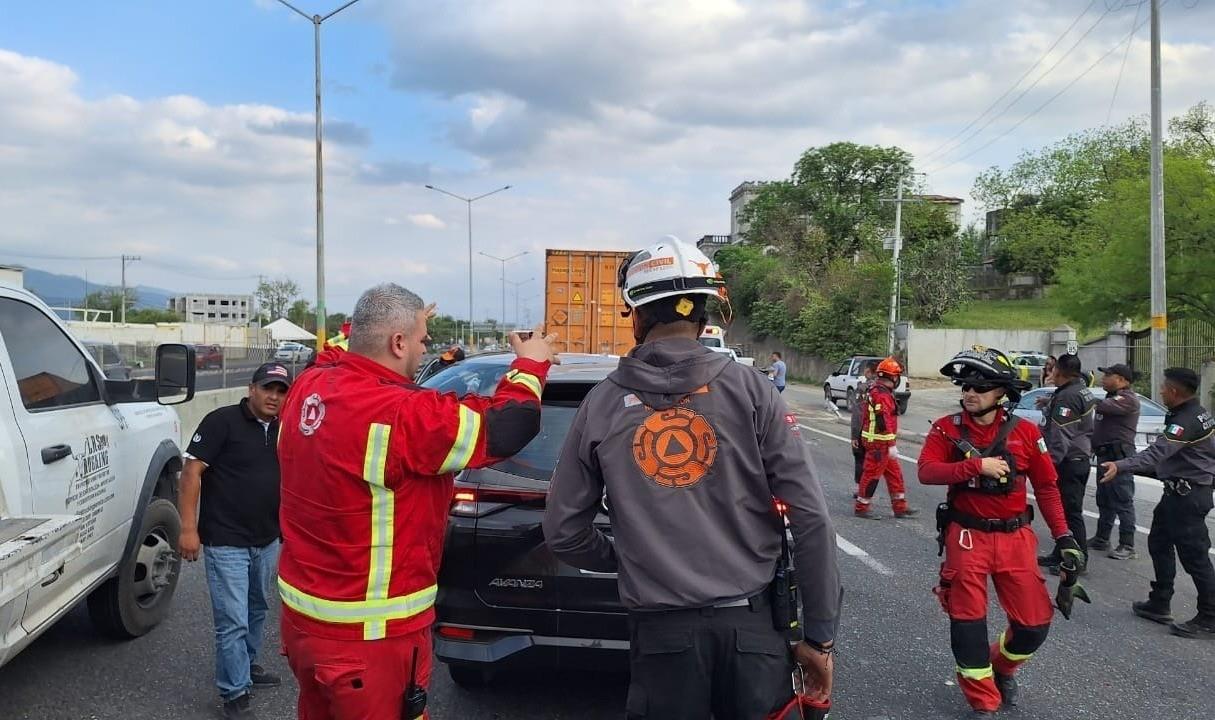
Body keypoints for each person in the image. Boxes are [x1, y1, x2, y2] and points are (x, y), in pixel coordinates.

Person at [543, 237, 840, 720]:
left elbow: (562, 531)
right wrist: (820, 637)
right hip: (754, 633)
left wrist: (630, 558)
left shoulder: (600, 403)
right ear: (705, 315)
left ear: (635, 316)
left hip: (661, 640)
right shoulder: (754, 391)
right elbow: (811, 520)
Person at [275, 283, 555, 720]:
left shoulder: (308, 386)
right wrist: (530, 365)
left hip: (303, 627)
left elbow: (336, 352)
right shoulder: (403, 413)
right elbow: (510, 426)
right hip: (372, 639)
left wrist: (400, 318)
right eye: (422, 339)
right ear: (398, 342)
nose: (426, 349)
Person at [918, 347, 1080, 717]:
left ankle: (1001, 668)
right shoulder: (946, 428)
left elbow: (1048, 488)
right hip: (967, 536)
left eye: (981, 386)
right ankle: (983, 702)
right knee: (967, 622)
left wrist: (1065, 538)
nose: (969, 394)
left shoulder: (1024, 432)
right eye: (965, 386)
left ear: (1001, 393)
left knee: (1034, 624)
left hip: (1015, 538)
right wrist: (974, 466)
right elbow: (926, 471)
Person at [179, 362, 292, 719]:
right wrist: (187, 529)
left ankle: (247, 666)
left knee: (257, 609)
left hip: (267, 538)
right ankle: (234, 692)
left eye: (280, 391)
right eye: (267, 388)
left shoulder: (284, 429)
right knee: (232, 620)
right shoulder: (221, 421)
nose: (273, 396)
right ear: (251, 389)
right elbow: (191, 472)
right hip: (226, 539)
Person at [1100, 367, 1215, 639]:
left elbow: (1155, 454)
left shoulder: (1185, 420)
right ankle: (1160, 601)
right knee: (1159, 543)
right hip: (1179, 492)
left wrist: (1121, 465)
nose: (1161, 391)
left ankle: (1210, 616)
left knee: (1195, 557)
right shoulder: (1198, 413)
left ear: (1174, 391)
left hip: (1187, 497)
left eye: (1164, 387)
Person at [1037, 353, 1096, 573]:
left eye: (1052, 368)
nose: (1049, 372)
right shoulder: (1078, 388)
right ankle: (1061, 552)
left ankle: (1078, 561)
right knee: (1064, 511)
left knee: (1071, 512)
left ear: (1059, 372)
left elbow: (1061, 436)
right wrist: (1048, 402)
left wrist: (1048, 464)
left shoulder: (1068, 396)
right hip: (1077, 458)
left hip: (1069, 461)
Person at [855, 356, 918, 518]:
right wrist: (891, 444)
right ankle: (862, 508)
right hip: (879, 443)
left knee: (895, 475)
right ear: (892, 377)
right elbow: (884, 421)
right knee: (871, 476)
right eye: (897, 376)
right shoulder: (882, 395)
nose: (897, 379)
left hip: (880, 442)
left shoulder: (878, 391)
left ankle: (900, 507)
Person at [1089, 364, 1141, 561]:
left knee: (1122, 501)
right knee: (1104, 500)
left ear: (1122, 380)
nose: (1104, 378)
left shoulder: (1127, 399)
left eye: (1108, 375)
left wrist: (1087, 399)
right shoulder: (1111, 398)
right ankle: (1102, 538)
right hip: (1105, 456)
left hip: (1120, 457)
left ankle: (1128, 545)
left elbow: (1103, 406)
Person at [851, 360, 878, 486]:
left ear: (867, 371)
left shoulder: (863, 389)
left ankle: (861, 488)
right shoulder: (884, 390)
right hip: (881, 436)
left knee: (860, 459)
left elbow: (857, 413)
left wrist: (854, 436)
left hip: (864, 433)